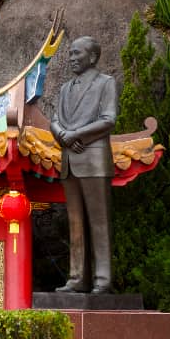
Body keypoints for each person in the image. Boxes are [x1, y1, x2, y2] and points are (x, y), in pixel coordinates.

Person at [50, 36, 117, 294]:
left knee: (99, 222)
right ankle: (77, 278)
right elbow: (55, 119)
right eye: (70, 54)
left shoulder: (105, 83)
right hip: (68, 158)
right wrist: (63, 135)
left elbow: (109, 119)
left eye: (77, 53)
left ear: (92, 57)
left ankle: (103, 279)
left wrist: (75, 135)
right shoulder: (65, 88)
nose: (72, 58)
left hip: (94, 159)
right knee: (75, 221)